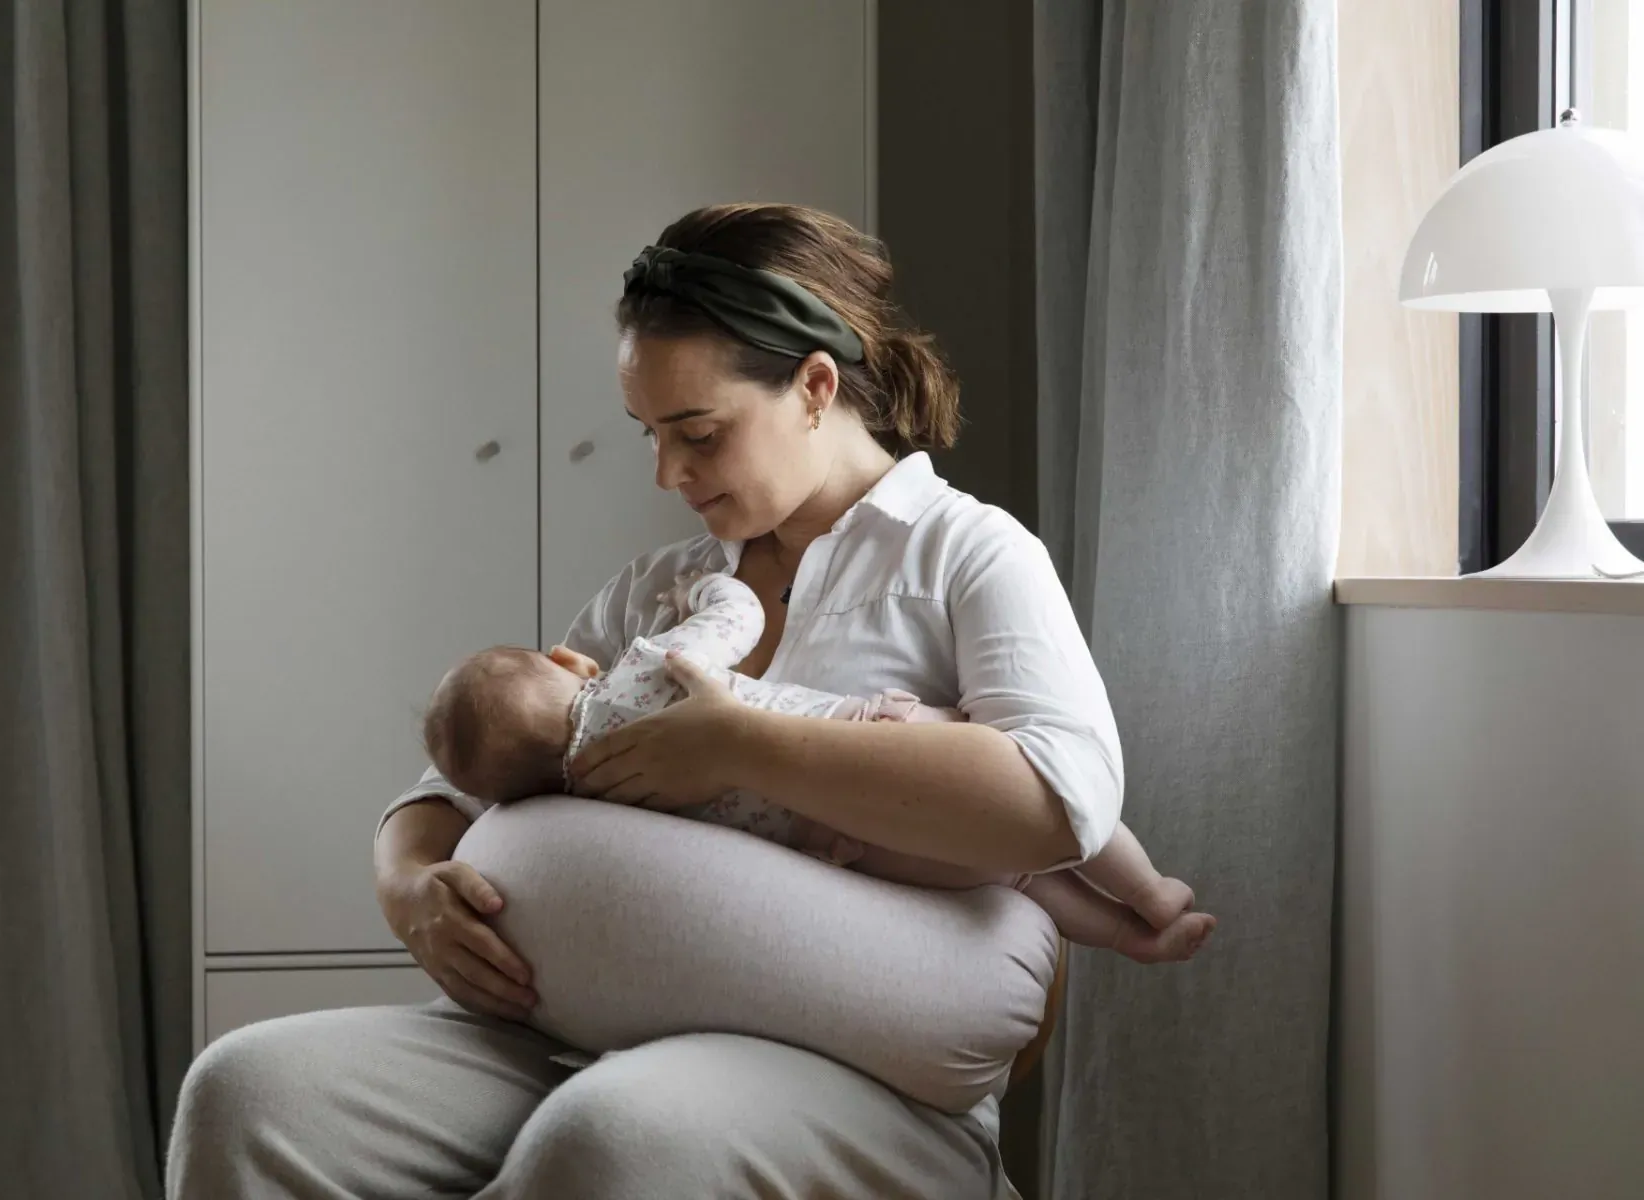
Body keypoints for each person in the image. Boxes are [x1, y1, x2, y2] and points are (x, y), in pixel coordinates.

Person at [168, 203, 1129, 1198]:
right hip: (582, 1030)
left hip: (855, 1076)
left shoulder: (967, 556)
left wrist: (742, 748)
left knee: (616, 1137)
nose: (669, 472)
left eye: (698, 433)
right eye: (649, 434)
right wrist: (411, 889)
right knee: (247, 1092)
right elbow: (448, 788)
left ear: (814, 387)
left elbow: (1062, 799)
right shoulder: (657, 588)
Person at [426, 571, 1213, 965]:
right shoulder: (641, 669)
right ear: (568, 663)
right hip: (868, 740)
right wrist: (699, 589)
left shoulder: (589, 801)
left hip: (841, 855)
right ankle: (1147, 892)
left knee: (1014, 875)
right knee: (1044, 807)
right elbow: (740, 616)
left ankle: (1118, 932)